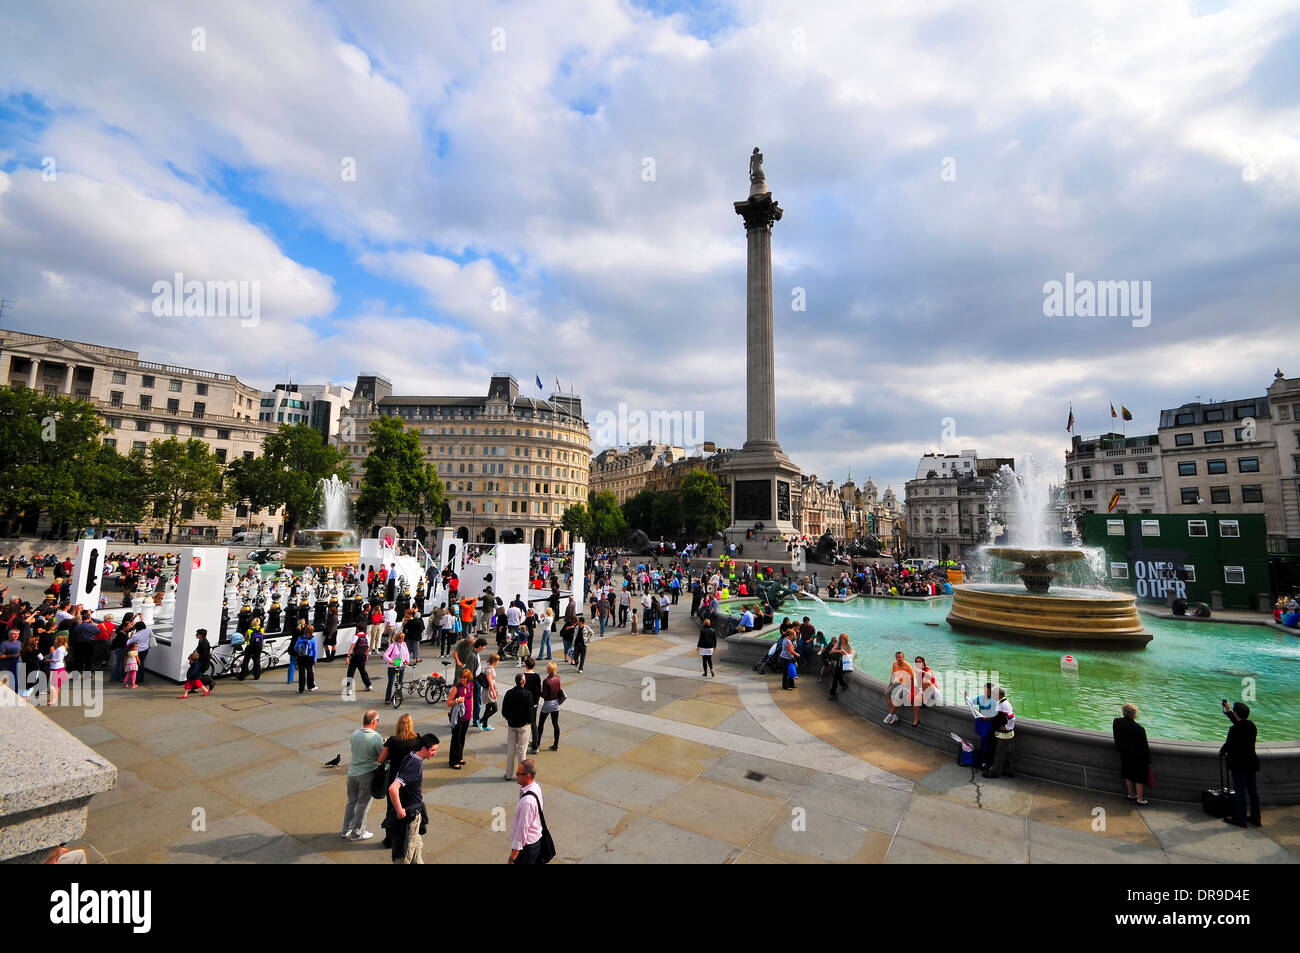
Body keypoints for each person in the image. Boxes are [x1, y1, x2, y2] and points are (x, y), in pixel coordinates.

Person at [388, 732, 439, 864]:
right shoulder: (415, 765)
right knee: (405, 854)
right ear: (424, 749)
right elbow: (393, 788)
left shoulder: (410, 756)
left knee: (416, 847)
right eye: (433, 750)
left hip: (414, 812)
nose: (435, 753)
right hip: (409, 816)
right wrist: (400, 811)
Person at [379, 713, 421, 853]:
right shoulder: (417, 740)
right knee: (409, 809)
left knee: (392, 809)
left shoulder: (392, 741)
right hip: (410, 781)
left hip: (394, 778)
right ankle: (406, 838)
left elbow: (381, 759)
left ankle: (389, 838)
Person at [342, 709, 384, 841]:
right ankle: (358, 832)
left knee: (351, 802)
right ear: (373, 722)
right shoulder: (376, 737)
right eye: (377, 720)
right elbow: (382, 757)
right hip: (366, 774)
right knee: (363, 804)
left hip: (352, 773)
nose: (377, 723)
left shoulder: (355, 733)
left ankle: (346, 829)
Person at [1220, 701, 1261, 827]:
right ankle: (1255, 817)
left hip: (1239, 765)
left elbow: (1228, 745)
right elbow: (1240, 724)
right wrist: (1228, 711)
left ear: (1236, 713)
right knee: (1253, 791)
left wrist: (1221, 752)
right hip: (1251, 763)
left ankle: (1240, 818)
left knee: (1240, 792)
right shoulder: (1251, 726)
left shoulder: (1234, 729)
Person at [508, 759, 548, 864]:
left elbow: (522, 830)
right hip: (532, 845)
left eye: (518, 774)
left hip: (526, 849)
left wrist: (512, 859)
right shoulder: (535, 787)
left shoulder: (527, 802)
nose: (516, 775)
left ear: (528, 776)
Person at [1112, 703, 1151, 805]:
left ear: (1123, 712)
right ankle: (1140, 799)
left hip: (1124, 753)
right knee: (1139, 778)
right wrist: (1148, 761)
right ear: (1134, 714)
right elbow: (1144, 746)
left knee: (1127, 773)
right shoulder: (1139, 728)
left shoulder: (1116, 722)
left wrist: (1119, 749)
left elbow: (1117, 737)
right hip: (1138, 756)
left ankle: (1130, 795)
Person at [502, 673, 534, 781]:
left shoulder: (509, 693)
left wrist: (509, 719)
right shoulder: (528, 694)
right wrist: (529, 722)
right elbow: (530, 711)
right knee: (522, 750)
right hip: (523, 725)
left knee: (510, 751)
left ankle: (508, 774)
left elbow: (504, 711)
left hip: (512, 725)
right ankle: (521, 775)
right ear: (523, 682)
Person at [983, 687, 1016, 778]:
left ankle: (994, 773)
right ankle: (1009, 771)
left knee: (999, 753)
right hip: (1003, 734)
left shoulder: (1005, 705)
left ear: (999, 695)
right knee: (1007, 753)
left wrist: (1006, 727)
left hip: (1004, 735)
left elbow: (1012, 718)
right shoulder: (1000, 703)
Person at [966, 682, 997, 769]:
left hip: (988, 725)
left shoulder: (995, 701)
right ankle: (983, 762)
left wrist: (988, 717)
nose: (986, 692)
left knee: (987, 744)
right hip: (981, 724)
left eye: (988, 691)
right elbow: (970, 702)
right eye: (985, 690)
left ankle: (985, 762)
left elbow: (996, 715)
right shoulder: (981, 698)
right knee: (984, 743)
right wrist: (967, 697)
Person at [447, 668, 473, 769]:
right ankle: (453, 761)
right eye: (461, 677)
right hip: (458, 717)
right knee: (456, 739)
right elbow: (448, 702)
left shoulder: (470, 685)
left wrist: (471, 711)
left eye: (464, 677)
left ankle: (459, 757)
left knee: (462, 738)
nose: (462, 679)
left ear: (468, 678)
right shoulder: (456, 688)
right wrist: (456, 701)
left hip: (467, 716)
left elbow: (471, 698)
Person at [883, 651, 914, 725]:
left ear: (903, 658)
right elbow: (893, 675)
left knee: (897, 697)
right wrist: (889, 686)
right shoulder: (894, 664)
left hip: (907, 685)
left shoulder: (908, 666)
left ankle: (890, 715)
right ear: (895, 658)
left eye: (900, 657)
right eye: (897, 657)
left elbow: (912, 679)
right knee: (886, 694)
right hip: (899, 683)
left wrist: (911, 690)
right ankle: (894, 715)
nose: (899, 658)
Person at [539, 661, 563, 750]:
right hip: (556, 703)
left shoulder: (546, 681)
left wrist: (538, 692)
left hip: (548, 703)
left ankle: (537, 743)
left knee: (541, 723)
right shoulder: (558, 678)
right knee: (555, 723)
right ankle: (556, 744)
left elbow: (545, 695)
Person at [382, 631, 410, 705]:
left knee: (400, 682)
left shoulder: (404, 644)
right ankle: (387, 699)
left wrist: (407, 660)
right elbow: (385, 655)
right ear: (398, 638)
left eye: (403, 638)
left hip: (401, 664)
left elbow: (407, 653)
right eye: (401, 638)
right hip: (393, 665)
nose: (403, 640)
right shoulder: (393, 645)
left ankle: (398, 695)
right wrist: (390, 661)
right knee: (391, 683)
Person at [523, 656, 543, 754]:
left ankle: (523, 742)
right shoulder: (537, 676)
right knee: (534, 723)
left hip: (525, 703)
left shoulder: (523, 676)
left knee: (524, 723)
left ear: (525, 665)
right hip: (534, 703)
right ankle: (535, 745)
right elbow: (539, 690)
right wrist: (536, 701)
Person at [345, 624, 372, 692]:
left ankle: (349, 689)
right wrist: (367, 655)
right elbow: (367, 646)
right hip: (363, 656)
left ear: (357, 629)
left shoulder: (356, 636)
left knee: (350, 672)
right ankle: (368, 685)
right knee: (363, 671)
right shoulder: (366, 635)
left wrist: (348, 657)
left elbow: (352, 646)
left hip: (355, 656)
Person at [827, 634, 853, 699]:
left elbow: (851, 656)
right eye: (841, 639)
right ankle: (840, 686)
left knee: (836, 676)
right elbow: (831, 651)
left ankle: (833, 693)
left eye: (844, 639)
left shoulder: (849, 646)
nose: (842, 640)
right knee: (836, 677)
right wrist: (839, 650)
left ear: (846, 639)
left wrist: (845, 653)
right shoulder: (838, 644)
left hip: (845, 664)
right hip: (839, 662)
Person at [295, 624, 318, 693]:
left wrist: (300, 652)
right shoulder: (313, 639)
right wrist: (315, 659)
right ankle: (310, 686)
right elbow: (315, 650)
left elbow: (295, 647)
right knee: (309, 671)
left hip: (301, 657)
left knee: (301, 673)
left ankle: (301, 689)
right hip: (309, 657)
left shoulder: (301, 638)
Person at [480, 654, 500, 730]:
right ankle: (481, 721)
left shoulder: (491, 667)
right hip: (489, 691)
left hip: (490, 690)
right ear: (495, 661)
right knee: (495, 708)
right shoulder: (489, 669)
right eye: (497, 660)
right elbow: (490, 681)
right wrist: (493, 691)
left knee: (488, 708)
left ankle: (485, 725)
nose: (498, 662)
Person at [48, 633, 69, 705]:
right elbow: (65, 654)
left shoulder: (60, 649)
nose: (55, 640)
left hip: (56, 667)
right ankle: (55, 699)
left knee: (53, 685)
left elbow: (58, 659)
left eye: (57, 639)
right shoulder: (63, 648)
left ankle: (54, 700)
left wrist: (48, 660)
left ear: (60, 641)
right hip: (60, 667)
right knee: (57, 684)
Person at [778, 625, 798, 691]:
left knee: (789, 671)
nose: (793, 637)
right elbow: (791, 651)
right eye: (792, 635)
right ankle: (785, 686)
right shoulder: (788, 641)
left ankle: (791, 684)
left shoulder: (785, 639)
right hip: (786, 659)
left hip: (784, 657)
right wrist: (797, 654)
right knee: (786, 673)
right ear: (790, 635)